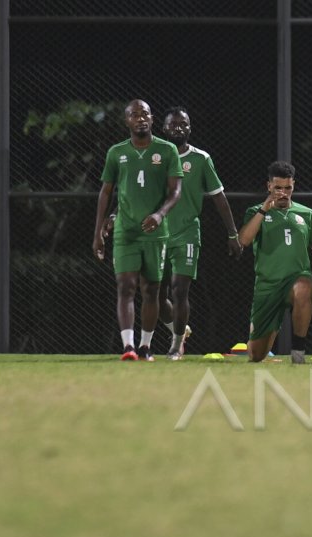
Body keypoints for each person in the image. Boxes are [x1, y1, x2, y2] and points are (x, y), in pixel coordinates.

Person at [92, 99, 182, 361]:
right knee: (126, 286)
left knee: (152, 290)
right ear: (127, 121)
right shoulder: (116, 152)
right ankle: (128, 346)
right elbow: (106, 191)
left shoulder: (166, 151)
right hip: (125, 231)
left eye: (145, 114)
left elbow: (175, 191)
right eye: (134, 115)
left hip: (155, 231)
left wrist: (159, 214)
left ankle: (145, 346)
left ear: (152, 119)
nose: (140, 118)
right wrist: (98, 230)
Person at [156, 107, 243, 360]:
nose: (178, 128)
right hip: (157, 235)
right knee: (157, 297)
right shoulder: (155, 157)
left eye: (183, 124)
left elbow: (219, 198)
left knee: (179, 290)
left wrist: (232, 233)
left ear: (190, 128)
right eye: (173, 125)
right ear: (164, 129)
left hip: (187, 233)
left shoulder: (201, 159)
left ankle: (175, 346)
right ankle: (179, 330)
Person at [236, 161, 312, 364]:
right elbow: (244, 240)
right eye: (278, 188)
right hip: (267, 286)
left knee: (302, 288)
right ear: (269, 187)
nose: (283, 192)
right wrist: (264, 209)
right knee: (256, 355)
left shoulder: (307, 214)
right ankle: (266, 334)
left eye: (288, 188)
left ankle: (298, 354)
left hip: (297, 277)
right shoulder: (256, 212)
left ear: (293, 186)